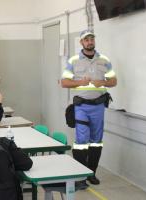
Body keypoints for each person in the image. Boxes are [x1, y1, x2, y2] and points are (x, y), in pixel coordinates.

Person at [61, 30, 117, 187]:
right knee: (81, 141)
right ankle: (80, 175)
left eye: (92, 38)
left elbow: (113, 80)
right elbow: (64, 82)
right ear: (81, 43)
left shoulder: (104, 60)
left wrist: (104, 83)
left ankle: (91, 173)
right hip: (81, 106)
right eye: (86, 39)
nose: (90, 41)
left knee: (96, 142)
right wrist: (80, 83)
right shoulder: (73, 60)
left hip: (99, 106)